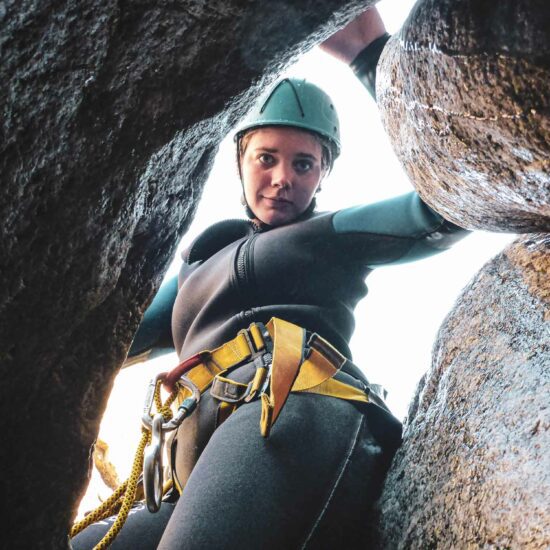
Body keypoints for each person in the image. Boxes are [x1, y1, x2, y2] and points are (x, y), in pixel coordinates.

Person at [72, 7, 469, 549]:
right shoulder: (199, 261)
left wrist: (370, 55)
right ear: (240, 159)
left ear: (324, 172)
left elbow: (446, 205)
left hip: (295, 408)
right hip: (189, 467)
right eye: (267, 158)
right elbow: (96, 341)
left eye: (304, 164)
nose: (283, 178)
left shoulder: (331, 236)